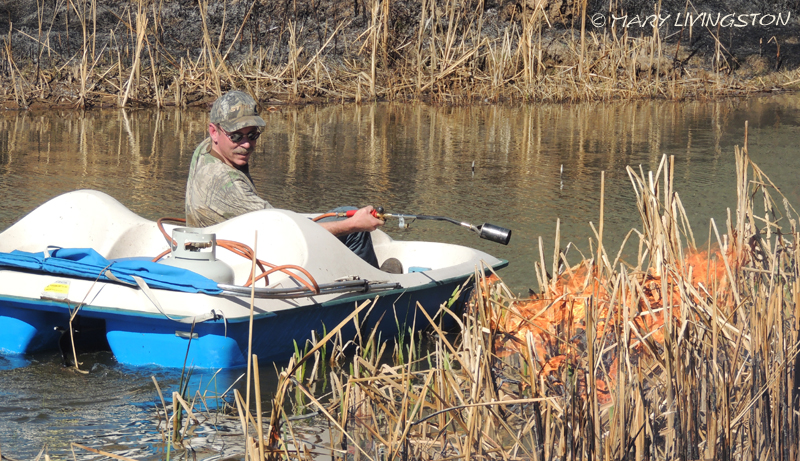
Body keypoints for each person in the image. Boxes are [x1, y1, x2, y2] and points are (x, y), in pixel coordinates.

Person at [185, 90, 393, 270]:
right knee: (355, 232)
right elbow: (287, 233)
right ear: (214, 131)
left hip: (232, 244)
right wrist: (353, 224)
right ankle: (376, 292)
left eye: (253, 135)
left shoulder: (206, 150)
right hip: (252, 258)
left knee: (346, 215)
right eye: (237, 136)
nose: (246, 144)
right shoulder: (226, 185)